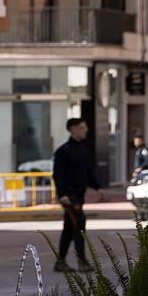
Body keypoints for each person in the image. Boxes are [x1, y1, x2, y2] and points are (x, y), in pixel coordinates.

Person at [52, 117, 104, 273]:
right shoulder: (63, 151)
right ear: (73, 129)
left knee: (69, 229)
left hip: (79, 196)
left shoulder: (84, 148)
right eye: (82, 128)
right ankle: (82, 261)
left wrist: (97, 187)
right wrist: (62, 194)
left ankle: (60, 262)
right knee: (80, 225)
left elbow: (88, 171)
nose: (85, 130)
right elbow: (58, 175)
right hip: (69, 197)